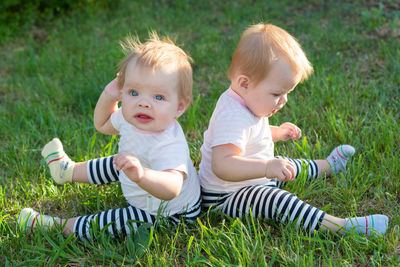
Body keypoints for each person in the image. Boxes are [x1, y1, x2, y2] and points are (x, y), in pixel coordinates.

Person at [199, 23, 388, 236]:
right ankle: (341, 226)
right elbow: (222, 165)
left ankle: (328, 165)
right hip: (226, 196)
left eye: (287, 93)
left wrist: (276, 132)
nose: (283, 101)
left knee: (287, 166)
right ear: (244, 83)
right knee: (278, 201)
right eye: (276, 93)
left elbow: (250, 135)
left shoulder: (246, 100)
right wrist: (265, 167)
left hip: (251, 180)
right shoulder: (231, 116)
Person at [18, 32, 201, 240]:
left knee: (117, 220)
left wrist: (141, 174)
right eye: (134, 92)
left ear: (179, 107)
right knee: (115, 163)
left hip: (169, 213)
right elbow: (102, 124)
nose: (143, 102)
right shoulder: (129, 115)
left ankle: (57, 226)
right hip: (141, 185)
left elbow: (172, 187)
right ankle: (66, 171)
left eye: (158, 97)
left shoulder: (169, 143)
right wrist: (109, 94)